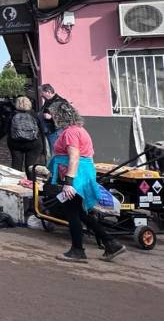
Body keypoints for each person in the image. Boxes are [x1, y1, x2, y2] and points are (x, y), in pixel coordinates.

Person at [47, 102, 125, 263]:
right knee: (79, 213)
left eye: (54, 114)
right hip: (82, 173)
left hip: (77, 176)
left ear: (60, 116)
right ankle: (111, 242)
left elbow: (74, 157)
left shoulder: (70, 133)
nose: (52, 117)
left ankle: (78, 250)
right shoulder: (78, 130)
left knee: (72, 213)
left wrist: (69, 182)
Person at [7, 96, 44, 180]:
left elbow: (7, 129)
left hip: (15, 144)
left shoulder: (12, 115)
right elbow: (41, 130)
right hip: (33, 143)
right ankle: (32, 186)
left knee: (16, 165)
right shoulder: (34, 114)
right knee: (31, 166)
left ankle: (16, 183)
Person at [40, 83, 68, 151]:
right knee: (52, 152)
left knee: (55, 152)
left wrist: (51, 117)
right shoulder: (48, 101)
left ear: (48, 92)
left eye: (42, 94)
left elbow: (66, 116)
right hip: (49, 130)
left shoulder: (60, 101)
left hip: (56, 131)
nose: (41, 96)